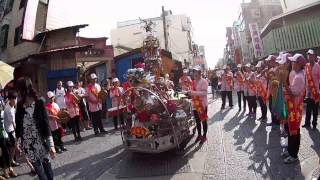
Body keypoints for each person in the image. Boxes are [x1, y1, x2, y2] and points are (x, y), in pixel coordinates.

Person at [15, 77, 56, 180]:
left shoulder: (39, 103)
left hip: (41, 143)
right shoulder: (19, 106)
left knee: (48, 172)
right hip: (29, 146)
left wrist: (51, 145)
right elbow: (19, 125)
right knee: (41, 175)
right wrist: (18, 142)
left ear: (23, 89)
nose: (18, 92)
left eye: (19, 89)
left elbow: (46, 124)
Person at [282, 53, 306, 164]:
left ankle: (293, 154)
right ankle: (290, 150)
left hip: (295, 108)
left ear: (299, 64)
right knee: (292, 130)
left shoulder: (299, 77)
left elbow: (292, 94)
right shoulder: (297, 74)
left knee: (294, 132)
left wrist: (284, 84)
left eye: (293, 62)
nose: (291, 64)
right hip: (293, 107)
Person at [188, 65, 208, 143]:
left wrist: (193, 93)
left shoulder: (204, 81)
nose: (195, 74)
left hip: (202, 105)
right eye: (194, 72)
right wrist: (189, 93)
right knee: (197, 121)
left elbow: (204, 93)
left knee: (203, 121)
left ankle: (204, 135)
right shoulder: (192, 82)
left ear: (200, 73)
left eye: (197, 72)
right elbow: (191, 92)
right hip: (195, 105)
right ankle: (199, 135)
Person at [0, 93, 18, 178]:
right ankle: (5, 170)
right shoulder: (7, 108)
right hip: (6, 131)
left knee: (5, 151)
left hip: (4, 132)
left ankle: (10, 169)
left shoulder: (4, 107)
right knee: (3, 152)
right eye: (13, 99)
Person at [302, 49, 320, 130]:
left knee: (315, 110)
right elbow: (305, 78)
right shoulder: (307, 66)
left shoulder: (317, 66)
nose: (309, 57)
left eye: (311, 55)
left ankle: (314, 124)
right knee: (308, 109)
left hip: (316, 92)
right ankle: (307, 123)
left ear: (314, 56)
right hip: (308, 92)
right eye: (308, 55)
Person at [3, 91, 20, 167]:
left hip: (8, 129)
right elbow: (13, 124)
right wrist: (18, 132)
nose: (14, 100)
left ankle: (11, 160)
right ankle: (11, 161)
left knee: (13, 147)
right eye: (12, 99)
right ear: (9, 99)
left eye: (15, 98)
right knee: (13, 147)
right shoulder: (9, 110)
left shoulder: (9, 105)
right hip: (10, 131)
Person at [265, 55, 279, 126]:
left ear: (273, 61)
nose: (268, 63)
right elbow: (268, 80)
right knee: (271, 106)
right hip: (271, 91)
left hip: (276, 92)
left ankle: (277, 121)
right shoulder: (270, 69)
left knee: (275, 107)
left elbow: (278, 80)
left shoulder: (277, 69)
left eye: (269, 61)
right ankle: (273, 121)